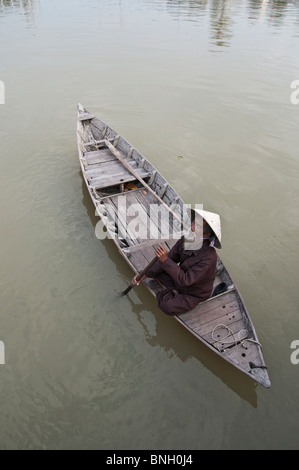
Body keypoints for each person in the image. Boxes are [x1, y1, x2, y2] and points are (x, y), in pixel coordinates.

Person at [131, 209, 222, 315]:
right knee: (154, 269)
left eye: (197, 226)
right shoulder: (186, 239)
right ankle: (170, 290)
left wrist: (165, 260)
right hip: (178, 279)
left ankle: (167, 290)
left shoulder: (209, 258)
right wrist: (145, 274)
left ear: (206, 234)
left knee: (167, 306)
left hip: (193, 292)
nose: (192, 227)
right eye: (193, 222)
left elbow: (186, 280)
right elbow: (170, 258)